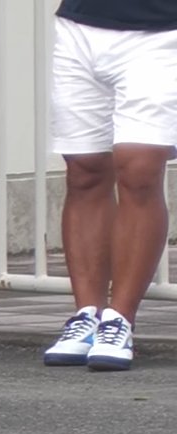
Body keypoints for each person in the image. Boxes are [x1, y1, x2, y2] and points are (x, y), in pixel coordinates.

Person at [42, 0, 177, 372]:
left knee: (139, 169)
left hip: (163, 30)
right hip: (80, 26)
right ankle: (88, 315)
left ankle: (120, 320)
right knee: (84, 169)